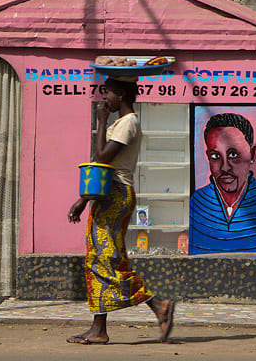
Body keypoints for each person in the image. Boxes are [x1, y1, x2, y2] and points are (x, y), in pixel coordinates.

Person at [66, 76, 175, 344]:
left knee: (103, 260)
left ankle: (157, 304)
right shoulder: (122, 122)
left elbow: (103, 158)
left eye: (109, 93)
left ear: (122, 94)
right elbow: (102, 166)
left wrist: (101, 122)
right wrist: (83, 199)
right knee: (102, 258)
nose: (105, 99)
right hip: (108, 195)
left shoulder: (128, 123)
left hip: (115, 196)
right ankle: (101, 328)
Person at [189, 112, 256, 254]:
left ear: (252, 154)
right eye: (215, 156)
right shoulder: (198, 203)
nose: (225, 167)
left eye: (233, 155)